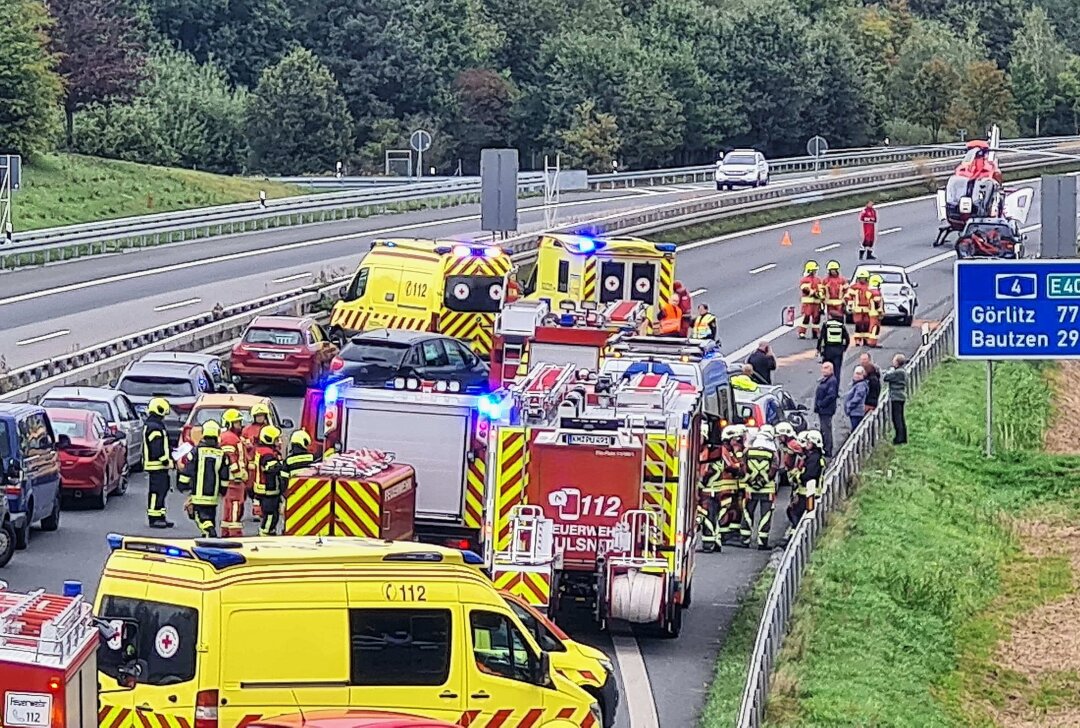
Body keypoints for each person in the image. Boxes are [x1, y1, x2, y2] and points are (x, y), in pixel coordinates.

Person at [176, 420, 230, 538]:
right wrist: (223, 490)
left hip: (198, 494)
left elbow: (188, 470)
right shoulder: (222, 454)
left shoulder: (196, 452)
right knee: (210, 515)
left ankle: (208, 530)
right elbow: (224, 475)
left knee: (200, 516)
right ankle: (208, 537)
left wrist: (182, 485)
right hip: (213, 495)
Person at [699, 425, 746, 552]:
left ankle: (712, 543)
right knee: (712, 516)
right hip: (717, 490)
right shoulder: (719, 451)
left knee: (711, 516)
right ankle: (714, 541)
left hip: (712, 490)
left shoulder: (715, 451)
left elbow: (709, 471)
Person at [740, 428, 778, 550]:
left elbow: (743, 468)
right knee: (765, 515)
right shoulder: (773, 453)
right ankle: (762, 541)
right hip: (767, 489)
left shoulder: (748, 452)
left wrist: (752, 481)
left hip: (750, 489)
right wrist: (763, 481)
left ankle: (745, 539)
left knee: (747, 513)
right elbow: (774, 469)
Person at [785, 430, 825, 544]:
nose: (806, 444)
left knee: (796, 514)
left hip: (808, 493)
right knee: (794, 512)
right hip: (806, 493)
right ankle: (795, 538)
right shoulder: (812, 457)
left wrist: (797, 475)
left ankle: (796, 540)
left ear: (815, 443)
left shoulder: (814, 458)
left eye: (809, 442)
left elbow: (809, 475)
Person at [142, 397, 175, 528]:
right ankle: (154, 518)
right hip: (157, 466)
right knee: (156, 492)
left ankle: (161, 516)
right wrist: (166, 461)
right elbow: (157, 447)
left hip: (159, 466)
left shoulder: (154, 425)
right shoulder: (155, 427)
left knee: (162, 490)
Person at [218, 409, 248, 537]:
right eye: (237, 423)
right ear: (229, 424)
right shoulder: (229, 438)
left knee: (229, 505)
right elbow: (230, 457)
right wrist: (237, 472)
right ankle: (234, 531)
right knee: (236, 504)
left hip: (232, 478)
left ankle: (226, 530)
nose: (240, 425)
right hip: (234, 478)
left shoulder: (231, 437)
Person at [252, 425, 284, 536]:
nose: (279, 442)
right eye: (276, 439)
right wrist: (283, 466)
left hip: (264, 490)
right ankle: (264, 534)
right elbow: (272, 469)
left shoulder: (263, 450)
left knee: (272, 515)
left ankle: (269, 532)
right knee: (270, 515)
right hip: (268, 491)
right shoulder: (267, 454)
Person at [243, 403, 271, 520]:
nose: (260, 418)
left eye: (262, 415)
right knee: (251, 489)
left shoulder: (269, 429)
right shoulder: (247, 430)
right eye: (258, 415)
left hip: (265, 463)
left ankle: (260, 510)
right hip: (251, 465)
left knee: (264, 488)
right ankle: (257, 509)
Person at [814, 362, 839, 457]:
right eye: (823, 368)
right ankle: (825, 447)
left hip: (826, 410)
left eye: (826, 368)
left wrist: (821, 404)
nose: (823, 370)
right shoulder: (826, 380)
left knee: (826, 429)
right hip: (823, 409)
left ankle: (827, 449)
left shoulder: (831, 381)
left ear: (831, 370)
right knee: (824, 429)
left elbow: (831, 395)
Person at [884, 353, 908, 444]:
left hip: (897, 397)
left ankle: (899, 438)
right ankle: (902, 437)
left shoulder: (898, 372)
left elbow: (886, 377)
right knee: (900, 418)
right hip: (899, 396)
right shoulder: (902, 371)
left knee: (897, 418)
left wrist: (890, 371)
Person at [797, 260, 823, 339]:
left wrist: (820, 295)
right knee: (806, 317)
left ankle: (815, 333)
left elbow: (821, 289)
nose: (815, 272)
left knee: (816, 318)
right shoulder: (804, 280)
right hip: (808, 303)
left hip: (816, 303)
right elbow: (805, 289)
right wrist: (814, 293)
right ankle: (802, 332)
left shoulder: (818, 280)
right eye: (814, 270)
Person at [847, 269, 870, 346]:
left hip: (868, 309)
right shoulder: (854, 287)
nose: (862, 279)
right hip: (857, 308)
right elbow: (849, 296)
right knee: (858, 323)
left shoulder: (869, 287)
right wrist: (850, 305)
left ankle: (866, 340)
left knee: (867, 324)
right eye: (860, 278)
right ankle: (857, 340)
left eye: (863, 278)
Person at [845, 366, 869, 431]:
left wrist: (849, 405)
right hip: (854, 412)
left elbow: (857, 398)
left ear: (863, 375)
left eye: (859, 374)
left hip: (857, 412)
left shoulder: (861, 385)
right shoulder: (855, 384)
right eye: (856, 373)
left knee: (856, 430)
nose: (857, 376)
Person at [866, 275, 884, 347]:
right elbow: (877, 303)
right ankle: (872, 342)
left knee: (872, 327)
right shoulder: (875, 292)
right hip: (875, 313)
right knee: (875, 328)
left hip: (871, 312)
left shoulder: (869, 291)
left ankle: (871, 341)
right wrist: (880, 312)